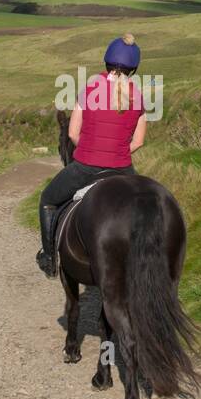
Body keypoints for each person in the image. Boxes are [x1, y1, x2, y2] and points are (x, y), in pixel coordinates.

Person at [36, 33, 147, 278]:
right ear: (134, 69)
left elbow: (74, 134)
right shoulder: (138, 98)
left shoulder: (91, 89)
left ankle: (49, 259)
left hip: (86, 166)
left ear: (106, 63)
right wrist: (117, 151)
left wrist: (94, 149)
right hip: (123, 169)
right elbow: (138, 141)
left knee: (47, 199)